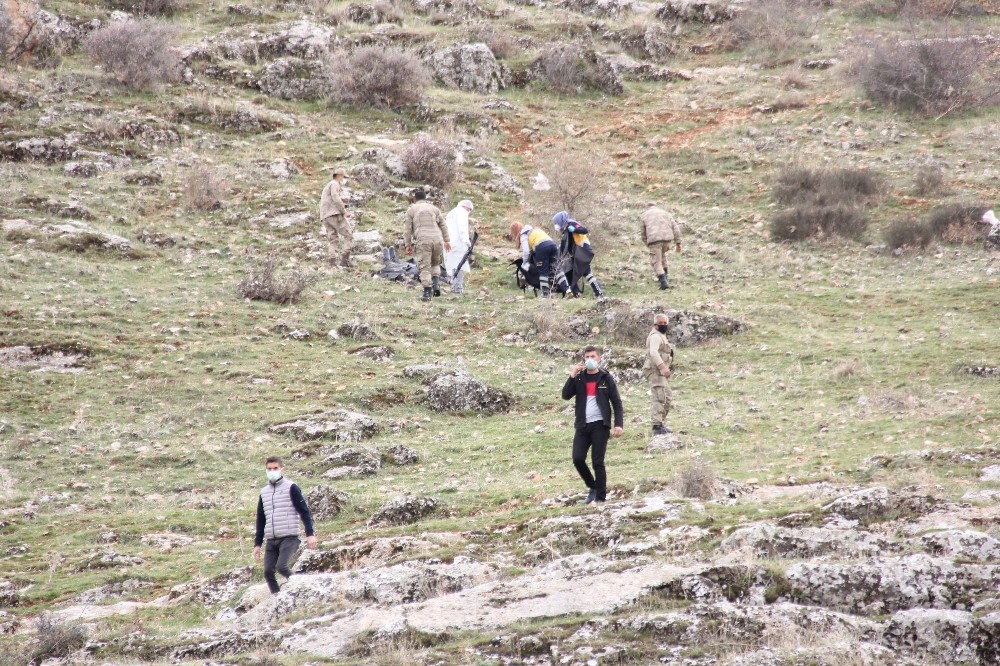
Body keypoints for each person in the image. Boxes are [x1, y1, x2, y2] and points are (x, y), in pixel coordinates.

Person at [562, 346, 624, 504]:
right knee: (577, 458)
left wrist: (618, 424)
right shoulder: (580, 378)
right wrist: (572, 375)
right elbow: (566, 395)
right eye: (587, 357)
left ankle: (601, 499)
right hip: (582, 426)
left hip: (600, 425)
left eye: (593, 356)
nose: (590, 359)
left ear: (599, 358)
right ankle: (593, 486)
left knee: (597, 461)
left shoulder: (606, 378)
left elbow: (616, 402)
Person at [253, 456, 317, 594]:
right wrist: (257, 544)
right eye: (269, 469)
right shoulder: (264, 492)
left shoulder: (291, 487)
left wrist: (310, 534)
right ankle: (277, 598)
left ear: (282, 468)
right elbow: (261, 519)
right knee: (268, 572)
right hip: (271, 539)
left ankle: (303, 588)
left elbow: (304, 512)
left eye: (275, 468)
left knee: (281, 567)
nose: (272, 471)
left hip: (289, 537)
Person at [404, 190, 451, 302]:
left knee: (424, 267)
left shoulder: (412, 210)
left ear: (414, 199)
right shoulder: (434, 209)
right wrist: (447, 240)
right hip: (437, 240)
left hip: (423, 240)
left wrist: (408, 244)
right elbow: (443, 225)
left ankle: (426, 293)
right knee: (435, 263)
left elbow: (407, 230)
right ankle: (436, 285)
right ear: (425, 198)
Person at [552, 211, 604, 299]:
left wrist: (575, 229)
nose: (556, 225)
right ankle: (576, 293)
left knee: (586, 272)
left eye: (557, 222)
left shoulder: (571, 224)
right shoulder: (565, 229)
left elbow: (584, 230)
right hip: (577, 252)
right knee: (570, 271)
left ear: (561, 221)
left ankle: (598, 292)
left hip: (583, 250)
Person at [509, 221, 567, 298]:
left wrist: (524, 263)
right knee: (556, 269)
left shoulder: (523, 234)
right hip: (552, 245)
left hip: (541, 246)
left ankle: (545, 294)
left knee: (543, 270)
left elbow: (526, 252)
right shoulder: (534, 230)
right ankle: (567, 290)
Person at [643, 313, 674, 435]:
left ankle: (660, 423)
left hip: (659, 372)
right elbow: (653, 352)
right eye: (661, 323)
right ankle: (656, 426)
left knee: (667, 396)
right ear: (655, 324)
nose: (663, 325)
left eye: (665, 323)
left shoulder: (662, 336)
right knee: (659, 396)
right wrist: (662, 367)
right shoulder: (655, 336)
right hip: (655, 370)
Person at [639, 203, 682, 290]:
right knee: (662, 257)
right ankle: (666, 277)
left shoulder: (644, 216)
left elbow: (643, 234)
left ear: (647, 208)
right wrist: (678, 243)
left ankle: (663, 282)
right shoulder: (666, 213)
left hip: (654, 240)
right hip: (667, 240)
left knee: (655, 261)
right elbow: (676, 228)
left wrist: (647, 244)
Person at [320, 167, 353, 268]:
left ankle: (332, 263)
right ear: (339, 176)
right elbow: (335, 197)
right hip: (334, 215)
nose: (343, 179)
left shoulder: (327, 185)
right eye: (343, 177)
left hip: (325, 216)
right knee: (349, 235)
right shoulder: (334, 184)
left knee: (333, 240)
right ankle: (345, 260)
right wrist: (344, 211)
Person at [444, 199, 474, 294]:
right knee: (459, 266)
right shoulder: (462, 213)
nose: (468, 212)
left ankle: (454, 286)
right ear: (467, 207)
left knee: (453, 266)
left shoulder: (451, 213)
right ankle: (458, 288)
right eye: (469, 210)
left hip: (448, 243)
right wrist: (467, 242)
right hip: (458, 243)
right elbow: (462, 229)